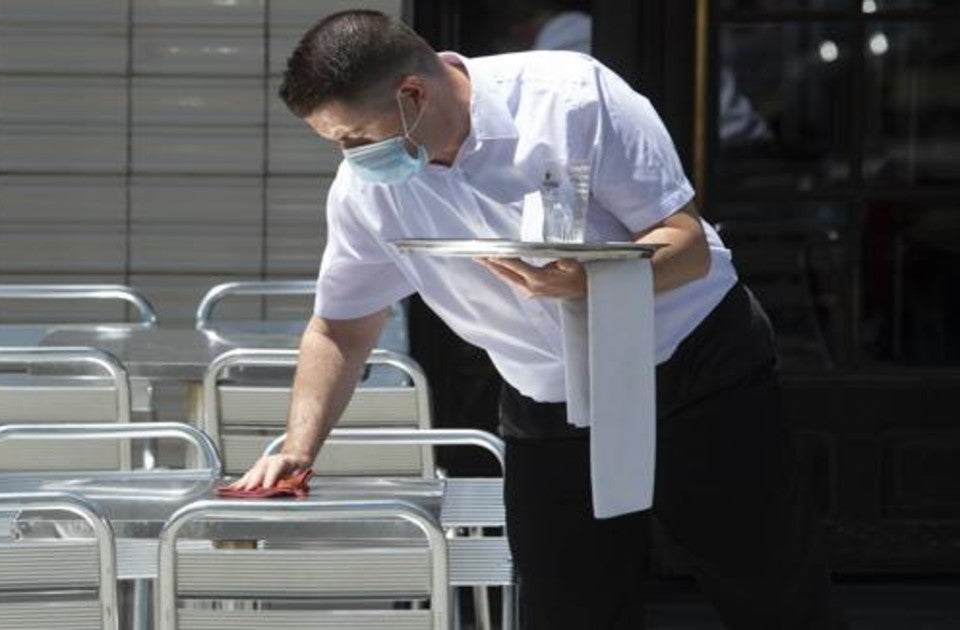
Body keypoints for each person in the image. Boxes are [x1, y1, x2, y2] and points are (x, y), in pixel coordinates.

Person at [230, 9, 846, 629]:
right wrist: (300, 448)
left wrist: (591, 282)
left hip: (694, 365)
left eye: (356, 137)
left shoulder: (569, 96)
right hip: (548, 396)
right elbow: (340, 327)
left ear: (413, 95)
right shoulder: (366, 192)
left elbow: (683, 244)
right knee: (564, 610)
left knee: (775, 597)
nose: (350, 156)